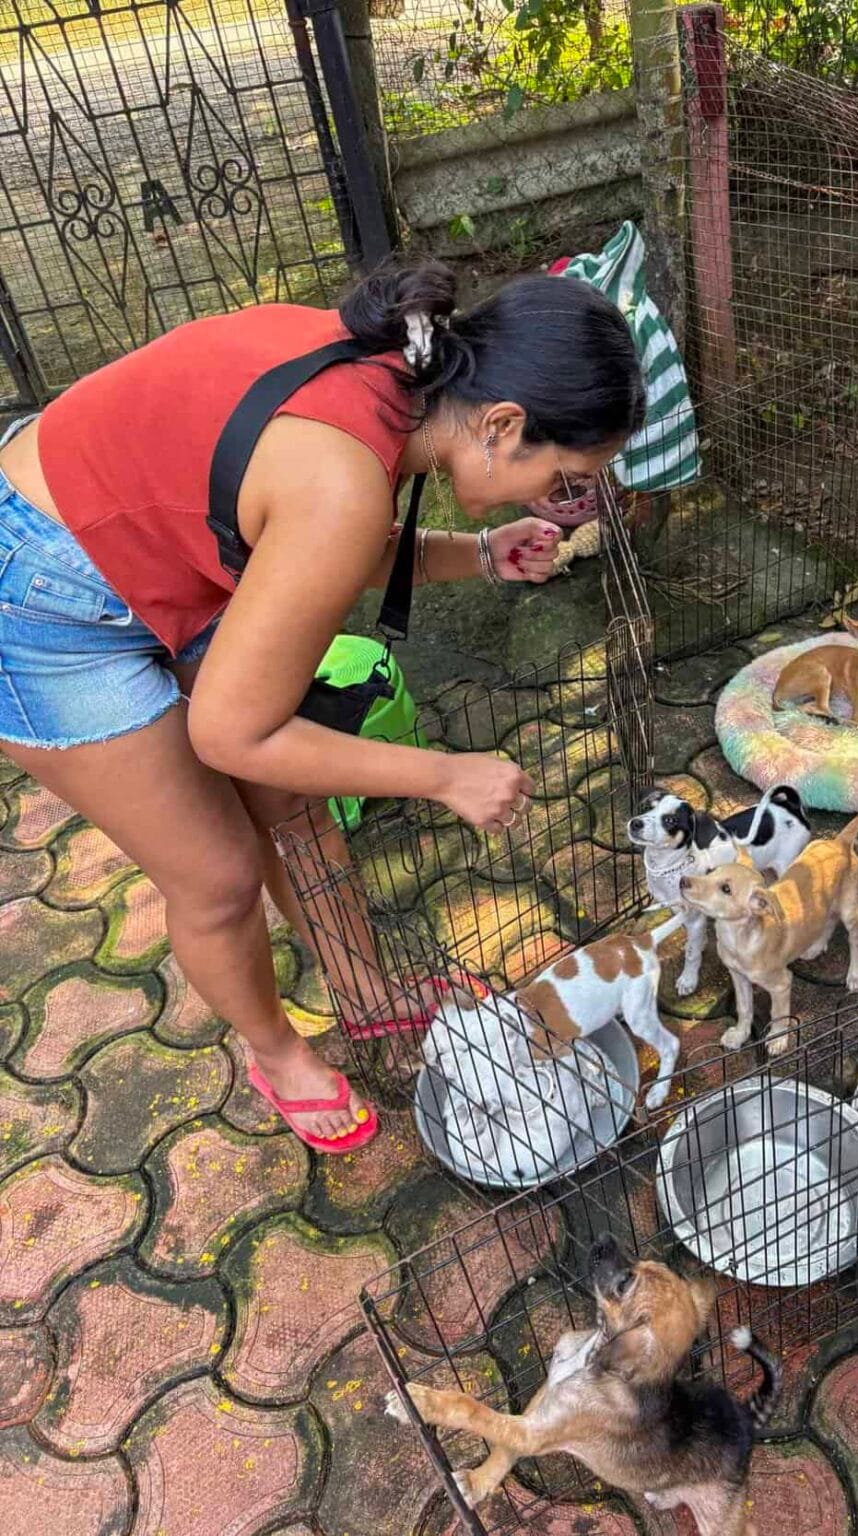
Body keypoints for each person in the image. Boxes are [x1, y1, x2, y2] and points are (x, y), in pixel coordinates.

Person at [0, 260, 645, 1154]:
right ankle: (277, 1053)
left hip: (149, 537)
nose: (561, 502)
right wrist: (443, 774)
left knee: (296, 804)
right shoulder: (341, 475)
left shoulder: (404, 372)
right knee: (218, 876)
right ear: (503, 424)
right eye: (565, 477)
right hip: (42, 596)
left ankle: (367, 991)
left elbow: (312, 535)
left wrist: (483, 552)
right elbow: (231, 731)